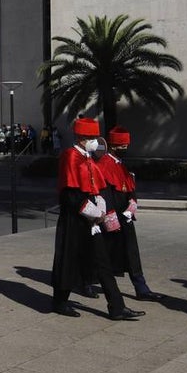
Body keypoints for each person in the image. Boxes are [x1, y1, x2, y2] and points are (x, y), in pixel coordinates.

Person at [50, 117, 145, 320]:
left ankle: (117, 306)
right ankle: (59, 301)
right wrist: (92, 212)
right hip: (75, 219)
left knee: (103, 263)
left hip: (92, 219)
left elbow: (96, 187)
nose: (96, 141)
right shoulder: (70, 156)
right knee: (68, 259)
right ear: (82, 137)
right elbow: (70, 194)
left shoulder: (88, 158)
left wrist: (100, 207)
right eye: (93, 137)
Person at [97, 127, 165, 301]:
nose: (125, 149)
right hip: (112, 217)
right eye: (122, 146)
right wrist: (111, 219)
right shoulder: (104, 164)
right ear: (113, 146)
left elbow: (129, 187)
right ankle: (93, 283)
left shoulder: (121, 164)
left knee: (132, 254)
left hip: (125, 215)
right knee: (106, 254)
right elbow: (105, 194)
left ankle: (141, 288)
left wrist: (131, 206)